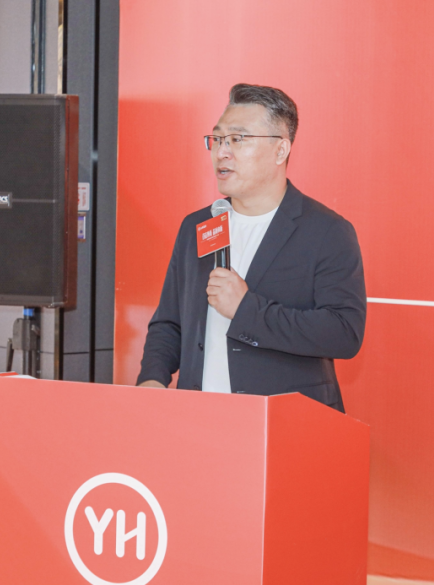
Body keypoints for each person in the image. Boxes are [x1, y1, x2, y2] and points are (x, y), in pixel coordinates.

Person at [136, 83, 366, 412]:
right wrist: (152, 378)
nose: (222, 152)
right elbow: (169, 322)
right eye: (218, 139)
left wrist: (247, 310)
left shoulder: (327, 231)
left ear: (280, 150)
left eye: (238, 139)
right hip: (198, 419)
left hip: (286, 424)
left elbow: (343, 334)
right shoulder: (198, 225)